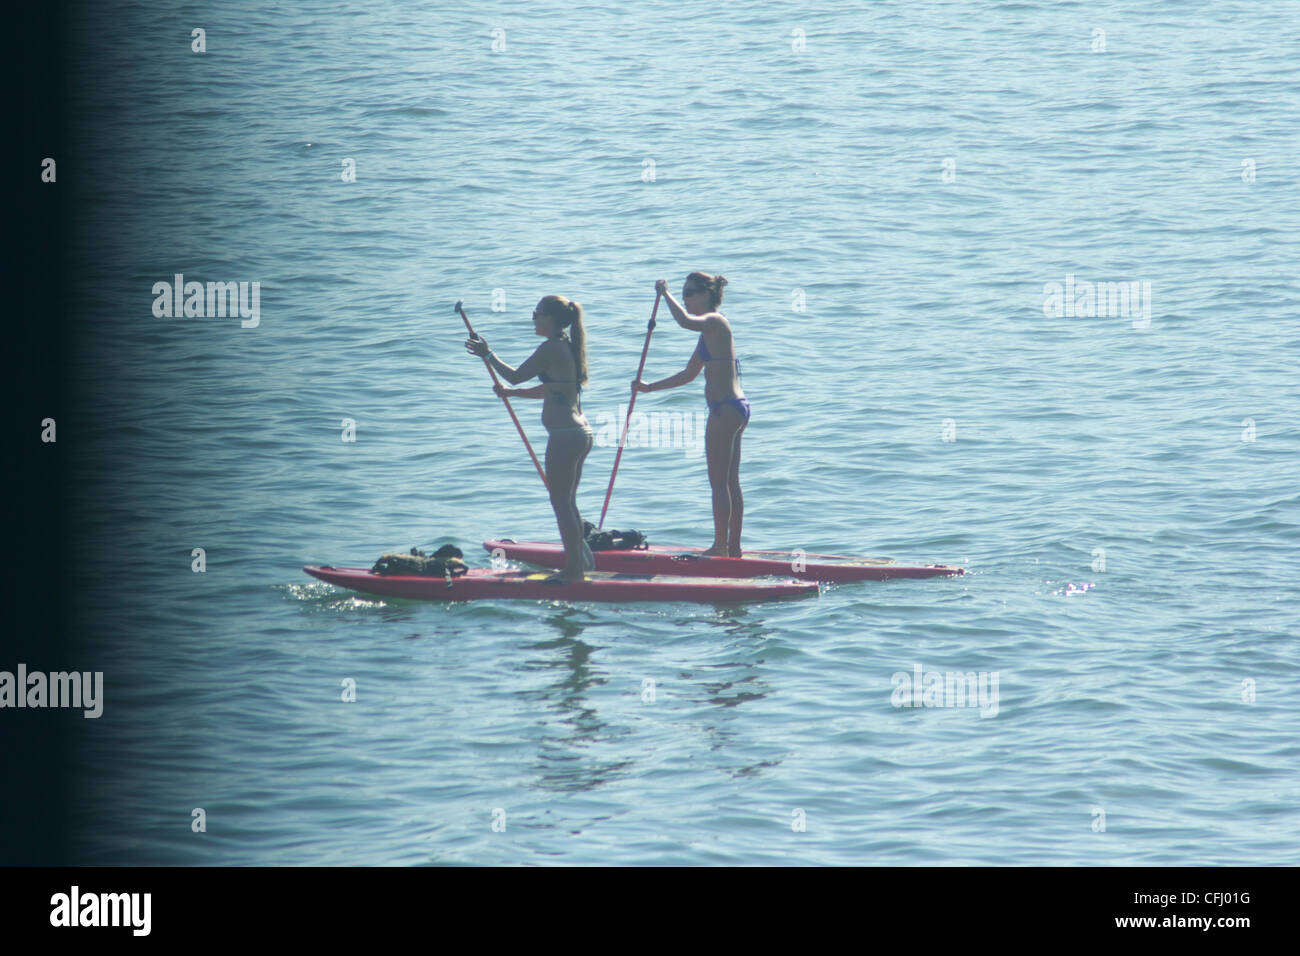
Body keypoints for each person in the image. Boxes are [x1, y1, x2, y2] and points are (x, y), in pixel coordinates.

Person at [466, 295, 594, 582]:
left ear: (550, 319)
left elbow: (515, 375)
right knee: (567, 501)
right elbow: (549, 390)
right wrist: (512, 395)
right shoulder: (566, 347)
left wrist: (488, 354)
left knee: (561, 503)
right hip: (580, 433)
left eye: (537, 313)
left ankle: (574, 571)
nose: (533, 318)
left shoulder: (550, 348)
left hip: (564, 436)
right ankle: (582, 560)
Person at [633, 273, 748, 557]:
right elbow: (688, 374)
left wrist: (665, 294)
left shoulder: (715, 321)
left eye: (690, 293)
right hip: (734, 409)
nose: (686, 298)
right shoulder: (709, 334)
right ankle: (733, 550)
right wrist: (649, 388)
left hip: (724, 411)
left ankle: (721, 547)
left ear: (707, 295)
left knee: (719, 482)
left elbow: (683, 321)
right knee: (730, 481)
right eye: (683, 294)